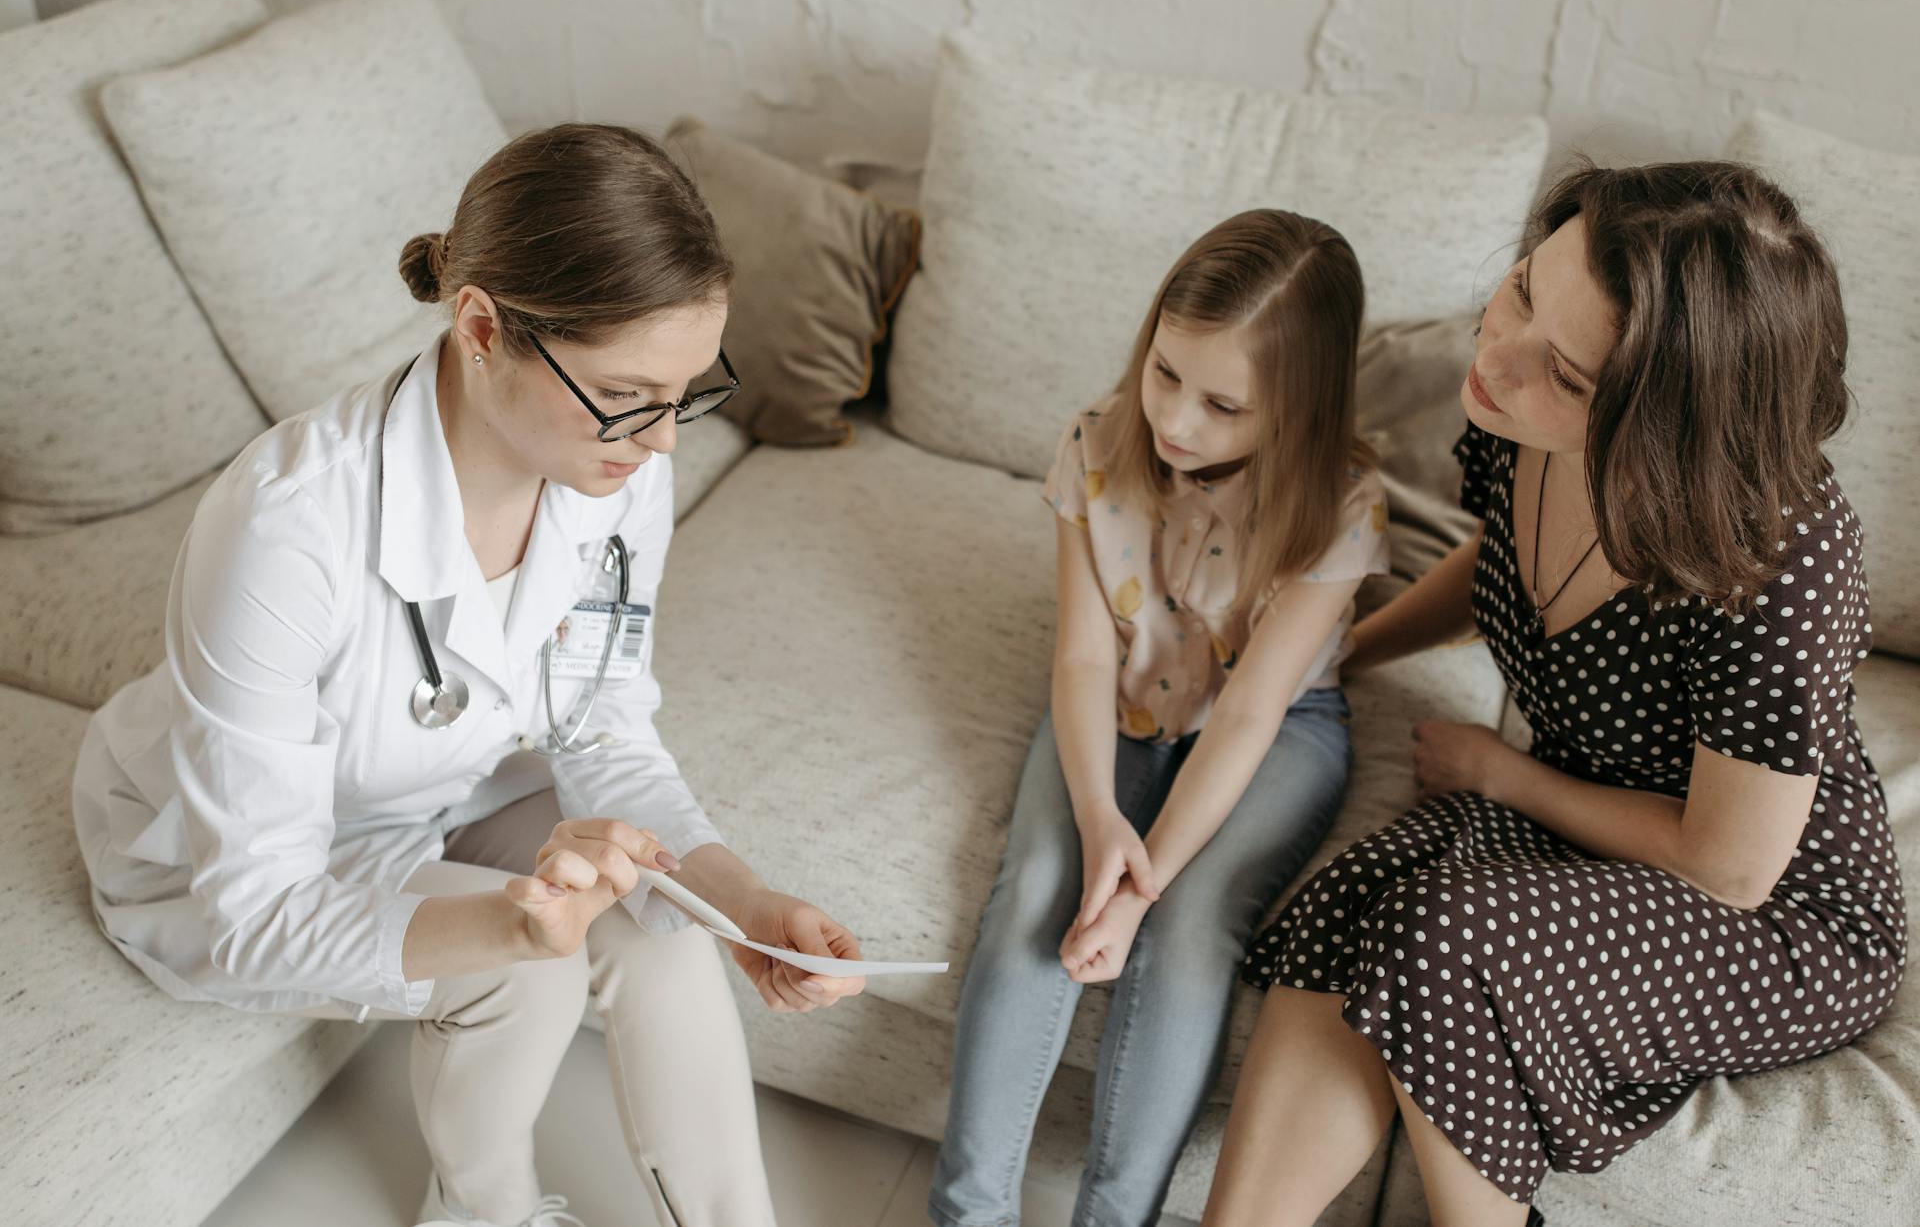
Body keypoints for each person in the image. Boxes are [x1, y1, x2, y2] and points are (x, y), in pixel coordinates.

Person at [71, 123, 868, 1227]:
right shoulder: (285, 522)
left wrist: (745, 904)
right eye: (628, 393)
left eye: (686, 392)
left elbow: (599, 726)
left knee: (669, 922)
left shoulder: (615, 466)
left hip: (445, 787)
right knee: (529, 959)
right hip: (223, 860)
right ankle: (482, 1211)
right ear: (483, 326)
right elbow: (255, 907)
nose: (664, 441)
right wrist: (516, 924)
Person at [1204, 161, 1907, 1227]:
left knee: (1442, 929)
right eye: (1525, 289)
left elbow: (1731, 864)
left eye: (1570, 378)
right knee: (1360, 900)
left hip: (1778, 916)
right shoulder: (1511, 403)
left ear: (1664, 427)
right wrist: (1338, 650)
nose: (1498, 354)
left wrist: (1502, 772)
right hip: (1587, 833)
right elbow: (1501, 561)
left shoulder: (1781, 555)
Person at [930, 210, 1392, 1227]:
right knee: (1037, 888)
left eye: (1224, 404)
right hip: (1123, 698)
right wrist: (1101, 819)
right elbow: (1086, 655)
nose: (1179, 419)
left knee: (1186, 928)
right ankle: (966, 1215)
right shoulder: (1097, 446)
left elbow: (1252, 712)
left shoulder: (1343, 507)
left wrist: (1145, 881)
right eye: (1166, 373)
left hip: (1275, 729)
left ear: (1297, 411)